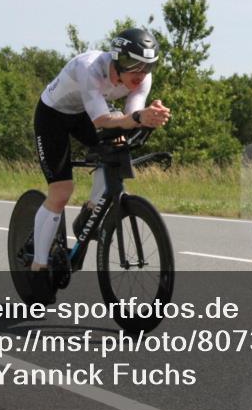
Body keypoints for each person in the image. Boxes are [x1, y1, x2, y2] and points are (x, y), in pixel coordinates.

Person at [32, 27, 171, 279]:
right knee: (61, 192)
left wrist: (149, 117)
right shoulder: (90, 68)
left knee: (118, 142)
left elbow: (130, 116)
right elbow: (102, 120)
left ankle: (91, 211)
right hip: (54, 115)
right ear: (117, 59)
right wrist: (137, 118)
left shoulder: (142, 79)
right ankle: (38, 266)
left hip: (85, 114)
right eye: (133, 64)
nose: (140, 74)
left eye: (148, 66)